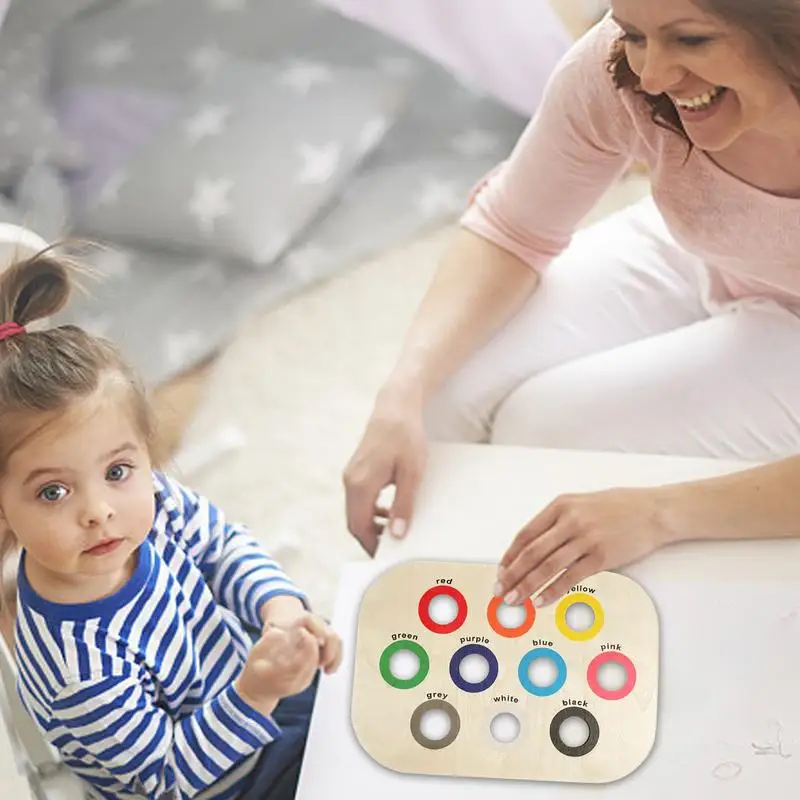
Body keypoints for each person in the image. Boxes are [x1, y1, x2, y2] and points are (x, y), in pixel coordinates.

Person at [343, 0, 800, 608]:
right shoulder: (620, 68)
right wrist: (401, 392)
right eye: (636, 32)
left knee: (546, 433)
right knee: (441, 401)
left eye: (691, 40)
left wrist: (661, 512)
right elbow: (512, 225)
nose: (654, 76)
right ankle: (419, 618)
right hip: (706, 249)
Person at [0, 249, 342, 800]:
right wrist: (255, 693)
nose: (98, 509)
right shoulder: (78, 666)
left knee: (382, 696)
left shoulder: (149, 500)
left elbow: (223, 548)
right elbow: (165, 779)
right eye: (53, 491)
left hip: (245, 689)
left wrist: (280, 611)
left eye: (116, 470)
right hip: (220, 782)